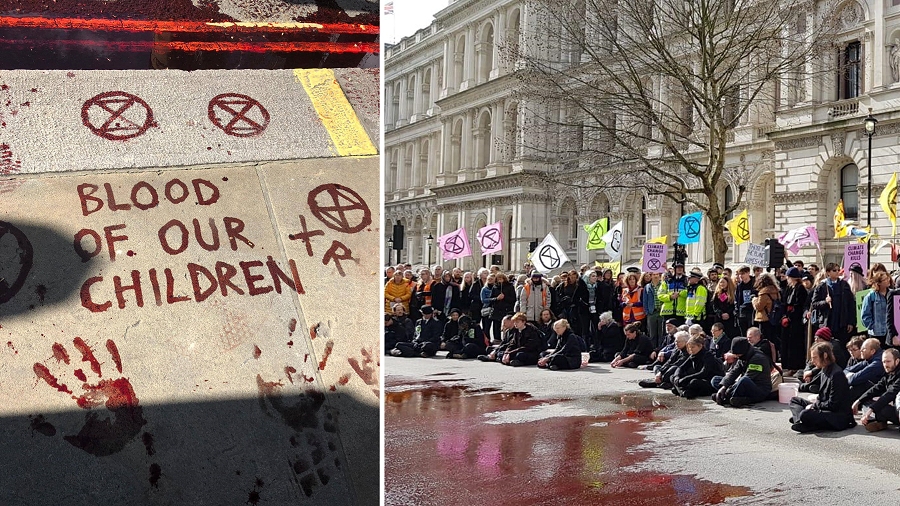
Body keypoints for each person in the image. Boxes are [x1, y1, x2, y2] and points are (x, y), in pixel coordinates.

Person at [788, 342, 856, 433]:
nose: (812, 361)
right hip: (823, 407)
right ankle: (800, 422)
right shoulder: (823, 369)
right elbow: (816, 390)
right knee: (794, 401)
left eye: (815, 357)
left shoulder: (837, 374)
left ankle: (804, 420)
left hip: (837, 415)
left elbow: (833, 405)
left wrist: (814, 406)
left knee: (805, 414)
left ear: (824, 355)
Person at [810, 262, 856, 360]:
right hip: (827, 322)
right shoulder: (822, 286)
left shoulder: (844, 285)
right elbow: (814, 304)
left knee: (841, 346)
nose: (837, 272)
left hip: (841, 321)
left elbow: (851, 304)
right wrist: (825, 302)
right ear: (828, 273)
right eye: (834, 270)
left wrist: (850, 322)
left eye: (838, 270)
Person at [712, 336, 772, 408]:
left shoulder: (758, 358)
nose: (737, 357)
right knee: (715, 380)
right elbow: (734, 372)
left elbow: (749, 377)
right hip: (743, 385)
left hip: (759, 388)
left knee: (744, 380)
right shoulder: (743, 356)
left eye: (738, 355)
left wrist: (727, 391)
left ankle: (727, 397)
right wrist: (724, 386)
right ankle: (734, 397)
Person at [852, 348, 900, 432]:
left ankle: (879, 421)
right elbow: (876, 388)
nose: (885, 365)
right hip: (895, 406)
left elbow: (890, 393)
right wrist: (858, 401)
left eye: (888, 361)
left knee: (881, 408)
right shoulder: (889, 373)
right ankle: (880, 422)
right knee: (869, 403)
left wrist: (871, 410)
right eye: (883, 362)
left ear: (897, 361)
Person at [672, 335, 725, 399]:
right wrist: (677, 377)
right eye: (689, 348)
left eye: (693, 347)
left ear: (700, 346)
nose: (691, 349)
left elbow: (703, 373)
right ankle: (682, 391)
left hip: (708, 380)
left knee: (694, 382)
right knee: (673, 377)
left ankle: (683, 391)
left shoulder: (708, 356)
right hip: (698, 377)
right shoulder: (693, 355)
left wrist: (685, 379)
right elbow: (681, 367)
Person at [780, 267, 808, 375]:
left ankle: (795, 367)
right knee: (786, 343)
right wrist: (784, 316)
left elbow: (798, 305)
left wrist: (790, 316)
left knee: (794, 344)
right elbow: (785, 303)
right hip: (787, 319)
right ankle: (787, 366)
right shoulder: (789, 288)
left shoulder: (800, 288)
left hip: (795, 321)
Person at [844, 338, 884, 402]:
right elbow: (846, 370)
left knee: (861, 384)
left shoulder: (878, 362)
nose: (861, 350)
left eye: (864, 349)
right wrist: (850, 375)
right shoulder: (869, 359)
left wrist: (850, 376)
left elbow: (854, 380)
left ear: (872, 351)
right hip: (874, 390)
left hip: (882, 392)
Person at [751, 273, 781, 348]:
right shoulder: (776, 291)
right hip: (774, 319)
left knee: (765, 341)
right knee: (773, 340)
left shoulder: (763, 293)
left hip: (764, 319)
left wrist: (754, 299)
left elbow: (758, 306)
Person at [861, 272, 890, 348]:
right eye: (885, 279)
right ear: (879, 283)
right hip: (876, 333)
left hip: (890, 332)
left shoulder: (892, 294)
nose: (888, 280)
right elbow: (865, 315)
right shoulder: (871, 296)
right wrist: (872, 326)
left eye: (888, 278)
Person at [487, 272, 517, 342]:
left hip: (506, 309)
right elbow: (491, 299)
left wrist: (504, 297)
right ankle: (496, 339)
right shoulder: (495, 287)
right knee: (496, 326)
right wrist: (497, 298)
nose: (500, 280)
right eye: (498, 279)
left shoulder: (510, 287)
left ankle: (507, 339)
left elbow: (513, 299)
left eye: (501, 279)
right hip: (497, 309)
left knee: (506, 325)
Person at [643, 271, 664, 348]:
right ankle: (653, 351)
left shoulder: (663, 285)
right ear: (651, 276)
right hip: (652, 313)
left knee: (661, 333)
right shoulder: (647, 286)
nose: (655, 276)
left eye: (657, 274)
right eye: (654, 275)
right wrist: (647, 312)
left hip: (662, 312)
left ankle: (660, 350)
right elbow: (645, 300)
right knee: (652, 334)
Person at [734, 266, 757, 335]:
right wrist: (737, 311)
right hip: (742, 312)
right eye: (739, 274)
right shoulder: (739, 285)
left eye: (743, 273)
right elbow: (736, 299)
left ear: (748, 273)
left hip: (752, 311)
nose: (741, 276)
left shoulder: (755, 283)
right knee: (743, 333)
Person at [480, 273, 497, 342]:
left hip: (495, 309)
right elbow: (483, 300)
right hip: (487, 309)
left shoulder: (497, 288)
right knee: (486, 326)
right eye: (489, 279)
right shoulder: (484, 289)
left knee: (496, 327)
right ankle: (486, 340)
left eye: (491, 279)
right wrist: (494, 299)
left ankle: (496, 340)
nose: (490, 280)